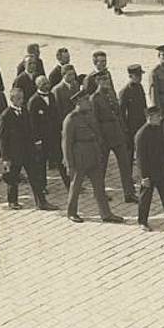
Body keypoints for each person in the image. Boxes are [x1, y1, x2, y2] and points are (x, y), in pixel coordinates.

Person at [63, 89, 124, 224]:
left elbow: (96, 135)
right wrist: (69, 164)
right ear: (78, 102)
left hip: (93, 155)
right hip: (80, 158)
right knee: (76, 186)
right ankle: (71, 212)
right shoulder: (71, 119)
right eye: (85, 100)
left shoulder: (90, 115)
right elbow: (66, 144)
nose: (89, 103)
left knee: (99, 187)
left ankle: (106, 213)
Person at [0, 87, 50, 210]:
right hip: (14, 153)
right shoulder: (5, 115)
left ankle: (41, 202)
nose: (21, 101)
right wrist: (5, 158)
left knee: (34, 177)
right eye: (18, 98)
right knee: (13, 178)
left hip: (28, 151)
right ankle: (12, 201)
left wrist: (35, 142)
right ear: (12, 99)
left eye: (22, 98)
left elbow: (30, 129)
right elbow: (3, 139)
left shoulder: (25, 111)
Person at [91, 72, 138, 203]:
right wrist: (99, 139)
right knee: (102, 167)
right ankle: (99, 193)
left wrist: (124, 130)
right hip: (104, 136)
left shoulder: (111, 93)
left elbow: (119, 114)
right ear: (97, 82)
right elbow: (94, 121)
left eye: (107, 79)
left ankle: (129, 193)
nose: (106, 82)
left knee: (125, 165)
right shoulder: (94, 98)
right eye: (103, 80)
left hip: (117, 134)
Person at [28, 75, 70, 193]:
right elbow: (32, 123)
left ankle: (68, 183)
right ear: (38, 86)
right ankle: (42, 186)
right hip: (43, 138)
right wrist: (37, 140)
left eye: (47, 83)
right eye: (44, 84)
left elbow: (56, 114)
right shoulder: (33, 101)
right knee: (42, 163)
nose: (47, 86)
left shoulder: (51, 96)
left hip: (55, 135)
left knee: (61, 160)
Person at [119, 64, 148, 169]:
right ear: (130, 76)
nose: (140, 78)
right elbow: (121, 114)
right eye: (137, 75)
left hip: (141, 124)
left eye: (140, 75)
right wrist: (125, 130)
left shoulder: (140, 87)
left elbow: (144, 106)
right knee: (129, 155)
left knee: (143, 152)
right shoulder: (125, 92)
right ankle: (128, 178)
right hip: (130, 127)